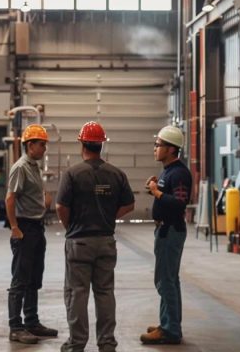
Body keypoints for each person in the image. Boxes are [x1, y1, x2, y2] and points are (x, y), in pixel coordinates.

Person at [56, 121, 135, 352]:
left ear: (81, 143)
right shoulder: (116, 174)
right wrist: (109, 216)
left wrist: (71, 226)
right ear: (102, 145)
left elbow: (61, 206)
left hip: (79, 242)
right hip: (106, 241)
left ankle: (77, 344)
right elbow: (129, 204)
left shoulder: (72, 174)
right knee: (105, 292)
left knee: (77, 293)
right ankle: (107, 343)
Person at [140, 125, 193, 345]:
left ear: (171, 149)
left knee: (165, 281)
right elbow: (166, 195)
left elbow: (180, 203)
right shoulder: (168, 171)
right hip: (165, 230)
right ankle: (169, 324)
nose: (155, 148)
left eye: (158, 145)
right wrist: (156, 187)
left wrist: (157, 192)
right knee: (169, 280)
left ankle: (170, 329)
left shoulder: (179, 173)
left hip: (170, 231)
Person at [6, 124, 58, 345]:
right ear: (30, 145)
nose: (44, 148)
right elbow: (10, 199)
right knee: (20, 280)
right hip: (25, 228)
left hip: (37, 227)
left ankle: (31, 322)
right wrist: (15, 227)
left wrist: (44, 203)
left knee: (34, 278)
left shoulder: (34, 166)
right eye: (41, 144)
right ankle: (16, 327)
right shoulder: (21, 167)